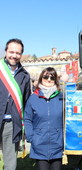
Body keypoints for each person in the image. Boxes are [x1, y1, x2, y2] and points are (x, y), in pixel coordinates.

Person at [0, 38, 31, 170]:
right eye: (11, 51)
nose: (14, 55)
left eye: (18, 53)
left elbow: (27, 100)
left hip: (12, 124)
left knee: (10, 163)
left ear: (21, 54)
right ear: (5, 51)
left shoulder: (25, 75)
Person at [24, 67, 64, 170]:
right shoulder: (33, 98)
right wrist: (31, 137)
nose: (49, 79)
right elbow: (27, 119)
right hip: (39, 144)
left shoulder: (62, 97)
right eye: (46, 77)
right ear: (41, 78)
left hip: (57, 144)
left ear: (56, 80)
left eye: (52, 77)